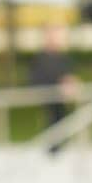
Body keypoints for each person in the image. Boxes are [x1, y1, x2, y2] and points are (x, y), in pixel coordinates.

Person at [27, 23, 79, 154]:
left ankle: (59, 146)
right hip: (48, 95)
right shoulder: (40, 58)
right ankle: (53, 147)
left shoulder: (62, 57)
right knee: (52, 119)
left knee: (61, 119)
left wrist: (69, 82)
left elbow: (68, 75)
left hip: (60, 97)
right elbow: (36, 78)